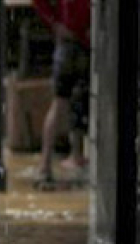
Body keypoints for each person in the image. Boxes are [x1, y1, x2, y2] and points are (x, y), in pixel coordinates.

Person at [33, 0, 91, 189]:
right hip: (82, 42)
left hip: (68, 41)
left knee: (61, 104)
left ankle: (46, 164)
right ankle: (75, 155)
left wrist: (54, 23)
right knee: (78, 102)